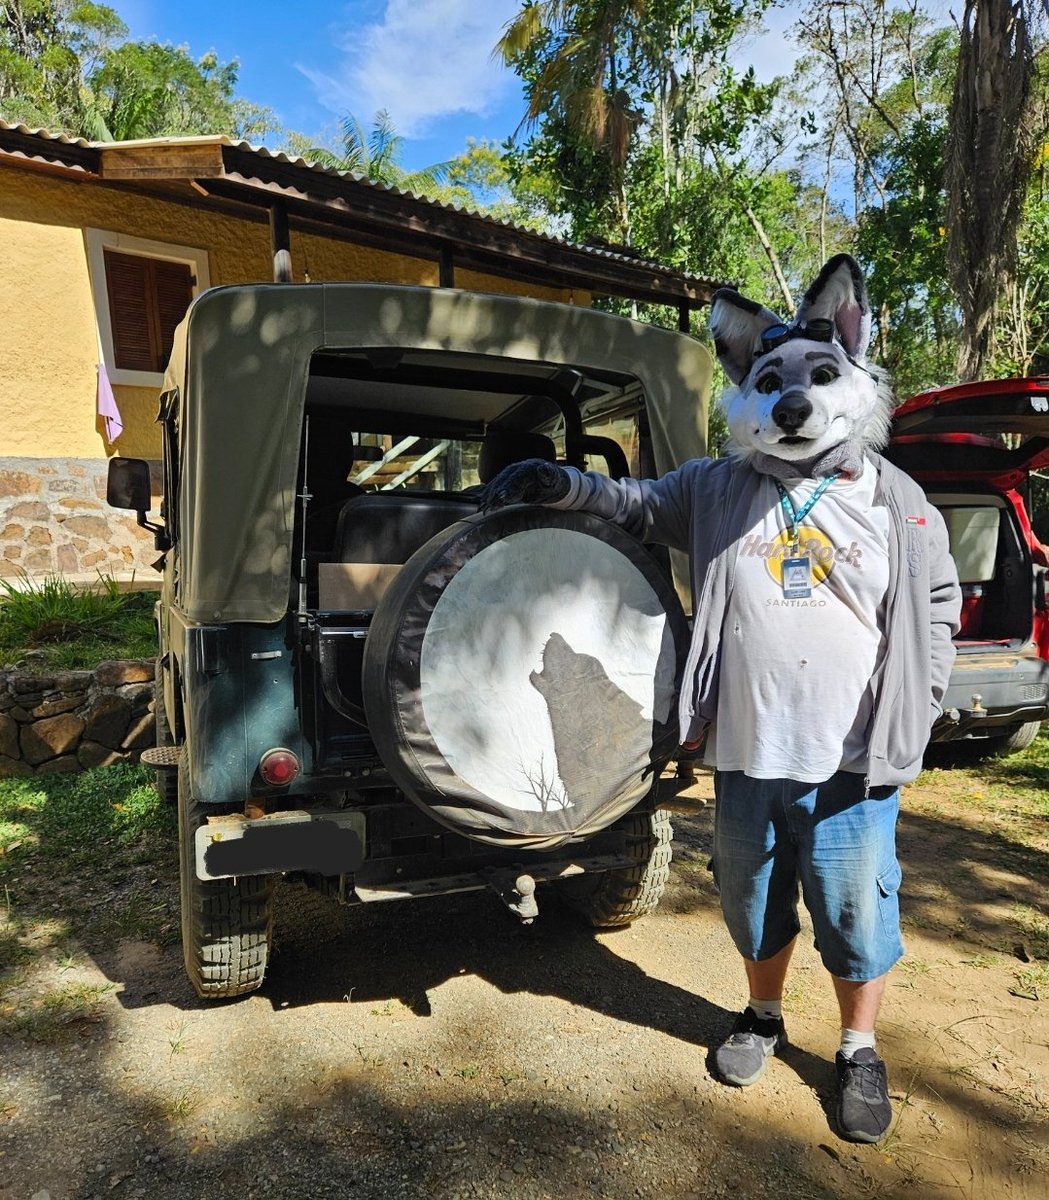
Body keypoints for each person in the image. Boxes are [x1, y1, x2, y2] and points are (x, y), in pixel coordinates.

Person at [480, 255, 961, 1143]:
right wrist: (557, 483)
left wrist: (920, 702)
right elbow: (630, 502)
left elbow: (939, 602)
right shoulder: (715, 487)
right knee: (750, 898)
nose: (794, 399)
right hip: (745, 754)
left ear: (854, 367)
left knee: (855, 910)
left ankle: (857, 1049)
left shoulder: (898, 500)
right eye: (770, 381)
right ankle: (761, 1017)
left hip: (855, 761)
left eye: (819, 376)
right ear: (746, 387)